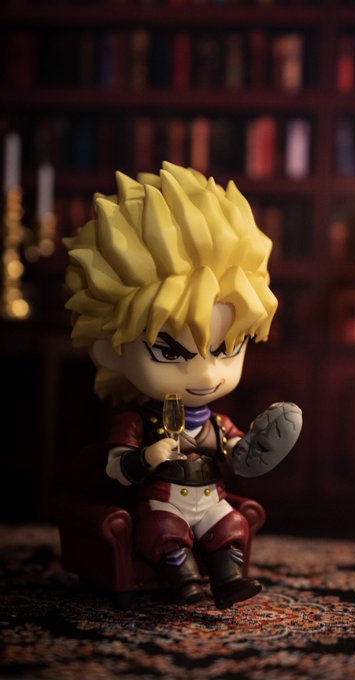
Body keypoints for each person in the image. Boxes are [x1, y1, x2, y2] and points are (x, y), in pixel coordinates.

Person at [64, 161, 302, 609]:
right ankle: (184, 579)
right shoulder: (136, 421)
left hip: (210, 498)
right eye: (172, 354)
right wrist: (145, 457)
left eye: (227, 349)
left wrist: (258, 450)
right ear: (110, 349)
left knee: (230, 525)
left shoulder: (216, 422)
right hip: (163, 501)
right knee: (164, 530)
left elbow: (236, 452)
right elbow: (115, 466)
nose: (207, 375)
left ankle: (227, 580)